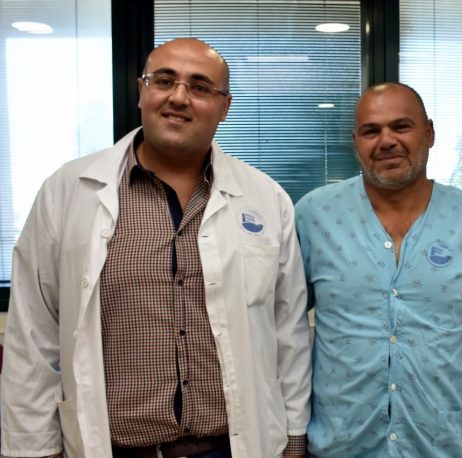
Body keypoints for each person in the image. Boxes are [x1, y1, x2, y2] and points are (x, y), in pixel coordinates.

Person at [0, 38, 311, 458]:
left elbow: (288, 333)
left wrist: (293, 439)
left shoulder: (267, 199)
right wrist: (32, 449)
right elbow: (33, 335)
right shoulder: (67, 192)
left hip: (232, 446)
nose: (178, 97)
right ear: (141, 91)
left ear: (225, 107)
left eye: (199, 87)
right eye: (164, 81)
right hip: (113, 448)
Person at [294, 82, 462, 457]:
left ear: (429, 133)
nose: (386, 141)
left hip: (445, 447)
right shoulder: (314, 217)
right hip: (341, 446)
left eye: (401, 126)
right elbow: (281, 330)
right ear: (355, 142)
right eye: (371, 131)